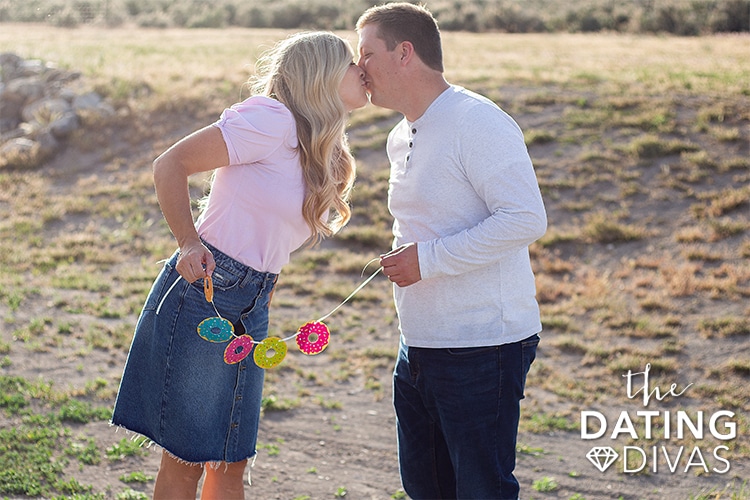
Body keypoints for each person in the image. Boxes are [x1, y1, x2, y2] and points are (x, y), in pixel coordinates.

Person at [111, 31, 367, 500]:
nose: (362, 70)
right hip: (205, 290)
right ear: (323, 75)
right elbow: (170, 164)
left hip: (253, 301)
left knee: (230, 459)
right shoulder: (270, 119)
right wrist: (188, 242)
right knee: (188, 458)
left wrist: (264, 286)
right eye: (352, 62)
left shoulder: (319, 145)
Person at [356, 4, 547, 499]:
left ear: (404, 53)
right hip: (418, 343)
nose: (359, 69)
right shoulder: (400, 135)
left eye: (367, 54)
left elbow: (525, 217)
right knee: (426, 489)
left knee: (480, 490)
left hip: (482, 345)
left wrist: (427, 260)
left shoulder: (477, 120)